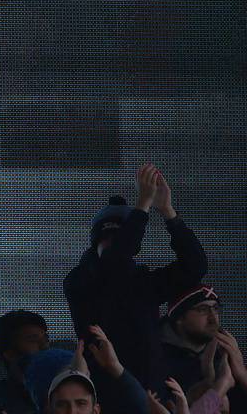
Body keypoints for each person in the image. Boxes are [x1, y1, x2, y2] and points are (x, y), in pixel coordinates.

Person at [64, 164, 207, 386]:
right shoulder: (79, 280)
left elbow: (195, 266)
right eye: (108, 240)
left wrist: (169, 213)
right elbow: (114, 265)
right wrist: (142, 206)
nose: (114, 246)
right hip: (104, 392)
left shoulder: (142, 282)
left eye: (118, 239)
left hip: (149, 393)